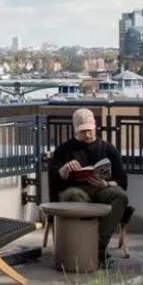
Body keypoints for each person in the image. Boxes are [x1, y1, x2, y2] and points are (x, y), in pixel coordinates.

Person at [46, 107, 133, 267]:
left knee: (119, 196)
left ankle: (96, 248)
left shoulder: (107, 149)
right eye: (82, 131)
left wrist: (106, 184)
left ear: (95, 127)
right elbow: (53, 182)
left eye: (89, 131)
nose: (87, 135)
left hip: (100, 190)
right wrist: (63, 171)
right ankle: (86, 250)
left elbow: (123, 181)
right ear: (75, 131)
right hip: (75, 190)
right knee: (75, 197)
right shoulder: (65, 149)